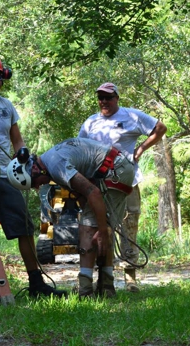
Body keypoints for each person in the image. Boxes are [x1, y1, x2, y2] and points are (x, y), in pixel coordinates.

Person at [0, 54, 66, 299]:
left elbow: (16, 139)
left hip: (8, 175)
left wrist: (24, 157)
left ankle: (36, 284)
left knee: (25, 229)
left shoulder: (7, 106)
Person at [6, 137, 135, 299]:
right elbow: (82, 195)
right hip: (117, 168)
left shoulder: (56, 166)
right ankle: (106, 286)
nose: (38, 187)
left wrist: (101, 230)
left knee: (88, 227)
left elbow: (92, 192)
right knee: (99, 224)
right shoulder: (52, 161)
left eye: (34, 183)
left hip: (113, 171)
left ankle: (86, 290)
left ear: (33, 170)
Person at [78, 82, 167, 292]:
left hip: (127, 183)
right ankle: (102, 278)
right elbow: (80, 148)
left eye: (108, 97)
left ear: (117, 97)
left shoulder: (132, 116)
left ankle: (130, 278)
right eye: (100, 97)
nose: (104, 101)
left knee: (128, 229)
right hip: (99, 186)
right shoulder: (91, 123)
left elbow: (160, 128)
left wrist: (141, 149)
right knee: (101, 229)